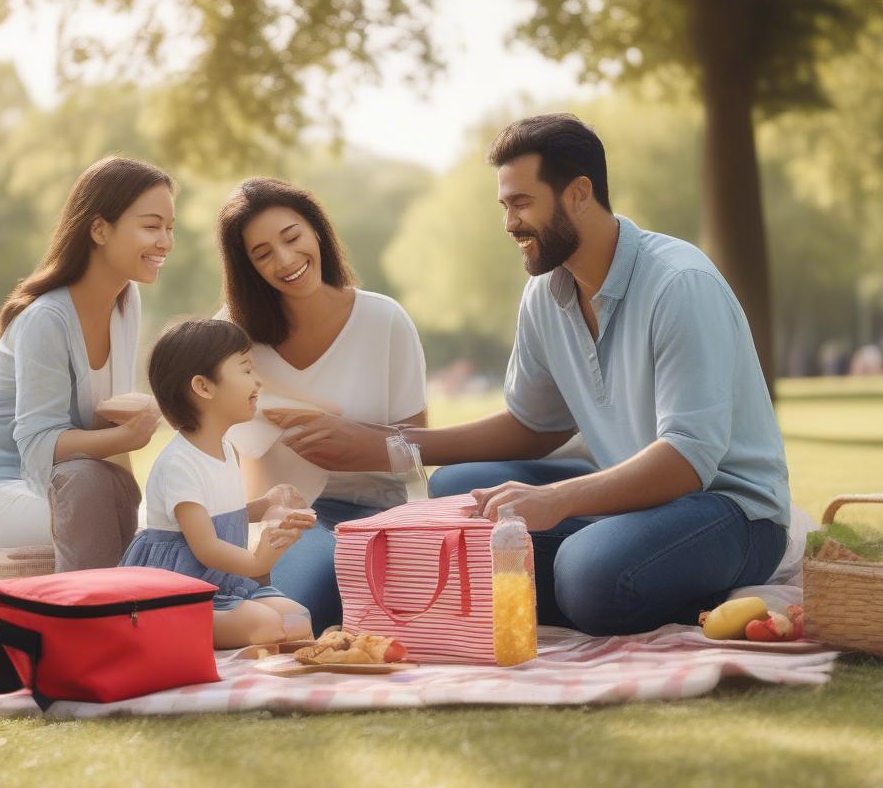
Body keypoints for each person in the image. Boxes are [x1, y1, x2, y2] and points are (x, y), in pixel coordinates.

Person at [269, 113, 792, 636]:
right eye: (504, 205)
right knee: (461, 490)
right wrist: (388, 446)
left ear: (579, 193)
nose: (509, 222)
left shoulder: (680, 285)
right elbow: (533, 426)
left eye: (522, 203)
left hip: (728, 508)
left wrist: (555, 501)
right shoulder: (547, 293)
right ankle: (610, 563)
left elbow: (686, 461)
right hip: (634, 499)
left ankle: (608, 570)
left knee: (589, 574)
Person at [216, 177, 427, 634]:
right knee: (303, 603)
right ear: (246, 267)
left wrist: (350, 439)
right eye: (263, 253)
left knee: (370, 595)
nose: (286, 260)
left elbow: (419, 450)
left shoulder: (383, 319)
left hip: (380, 511)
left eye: (292, 238)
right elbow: (214, 447)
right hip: (287, 518)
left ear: (316, 232)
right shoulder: (230, 338)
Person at [0, 157, 172, 569]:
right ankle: (82, 621)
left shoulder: (126, 301)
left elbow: (109, 424)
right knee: (97, 500)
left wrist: (131, 492)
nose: (165, 242)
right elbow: (39, 445)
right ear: (99, 229)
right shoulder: (45, 319)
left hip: (75, 485)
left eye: (168, 228)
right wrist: (127, 438)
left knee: (147, 522)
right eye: (151, 226)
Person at [120, 318, 316, 648]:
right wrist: (258, 561)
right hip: (182, 589)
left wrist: (267, 504)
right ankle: (169, 632)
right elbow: (206, 547)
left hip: (224, 583)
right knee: (266, 626)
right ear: (204, 387)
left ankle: (252, 645)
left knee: (298, 618)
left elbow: (225, 514)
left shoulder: (226, 448)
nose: (258, 380)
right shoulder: (179, 464)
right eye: (245, 369)